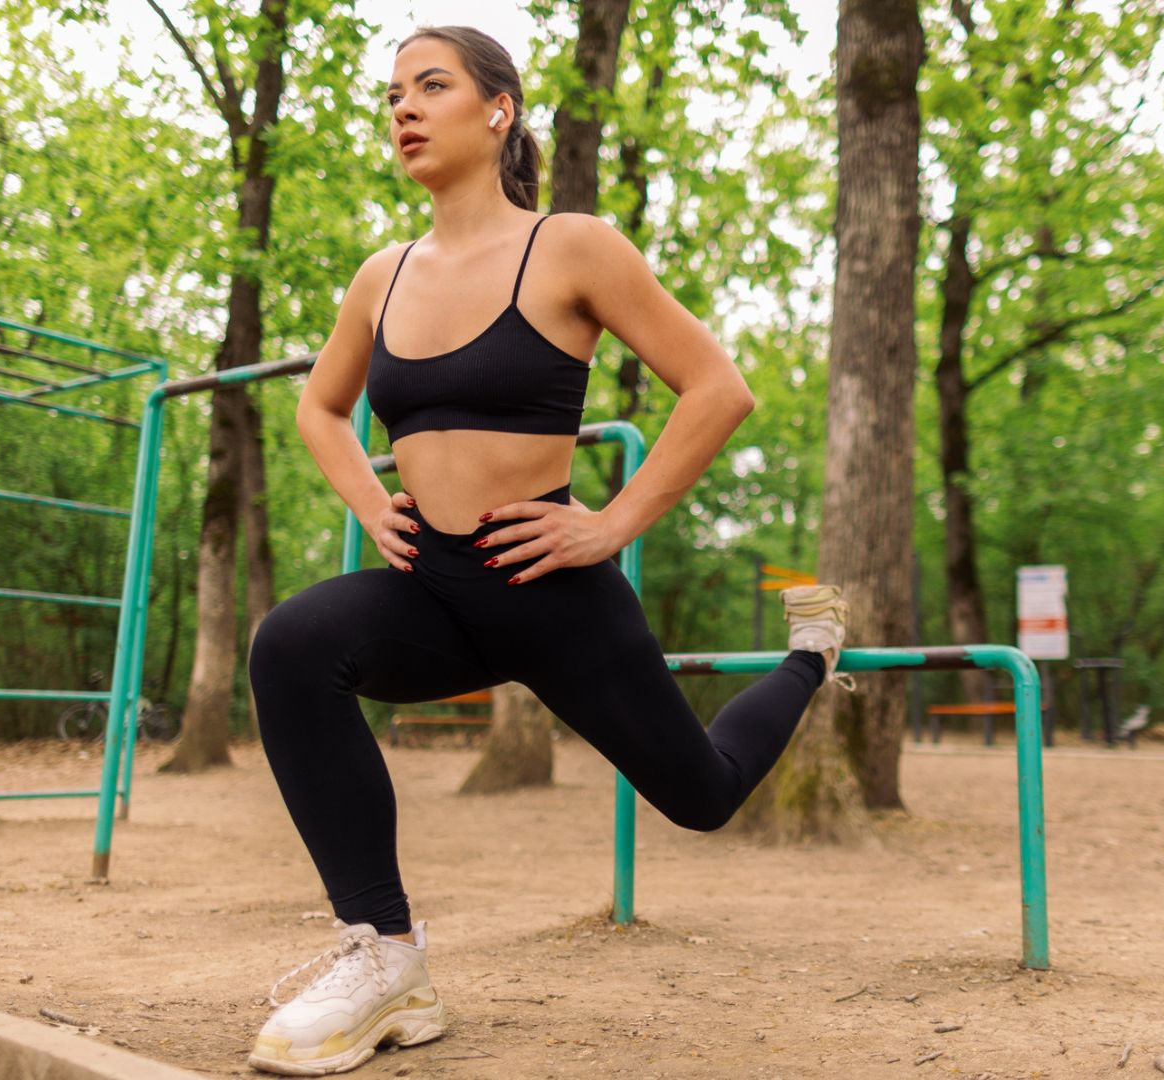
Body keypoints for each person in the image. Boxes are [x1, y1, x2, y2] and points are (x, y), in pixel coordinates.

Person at [243, 25, 856, 1077]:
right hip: (432, 590)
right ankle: (387, 957)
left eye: (431, 86)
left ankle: (811, 652)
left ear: (500, 111)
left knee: (704, 796)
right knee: (291, 646)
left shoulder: (569, 247)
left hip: (552, 591)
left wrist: (611, 524)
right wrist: (370, 503)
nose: (403, 108)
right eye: (393, 94)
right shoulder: (382, 276)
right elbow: (320, 409)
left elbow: (718, 390)